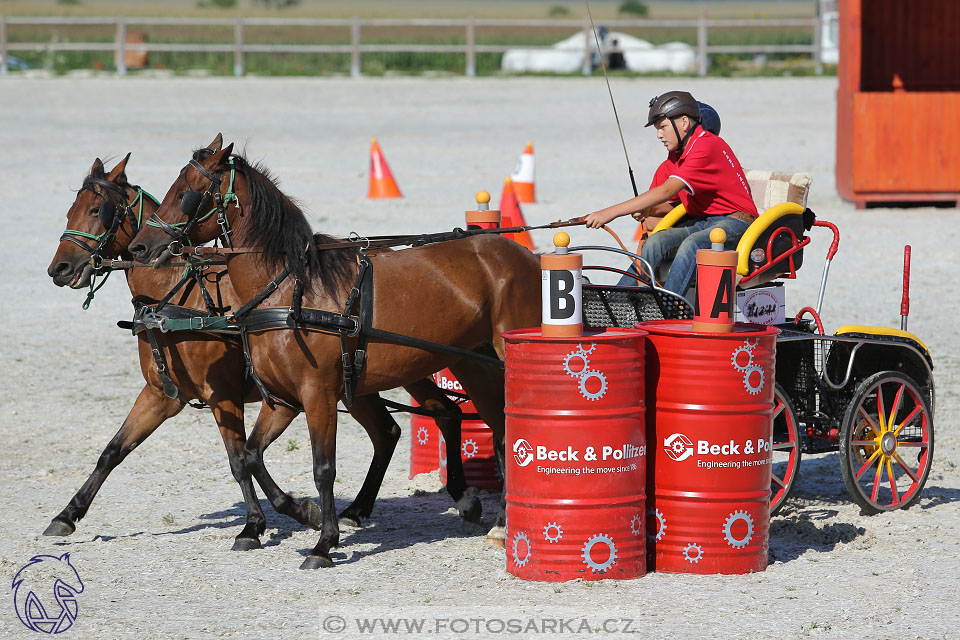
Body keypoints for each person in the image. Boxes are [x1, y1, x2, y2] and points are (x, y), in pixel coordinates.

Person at [584, 91, 756, 295]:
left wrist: (608, 213)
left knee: (692, 245)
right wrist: (647, 209)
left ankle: (668, 308)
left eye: (663, 127)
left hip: (737, 223)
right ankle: (618, 301)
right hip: (704, 222)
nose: (659, 135)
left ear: (684, 123)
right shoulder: (678, 156)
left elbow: (667, 190)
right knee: (655, 242)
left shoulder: (705, 145)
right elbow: (670, 201)